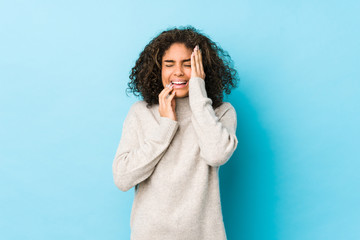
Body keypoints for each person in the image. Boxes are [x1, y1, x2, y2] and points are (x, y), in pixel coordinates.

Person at [112, 26, 240, 240]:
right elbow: (122, 178)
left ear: (202, 69)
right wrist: (166, 126)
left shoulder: (221, 112)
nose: (178, 72)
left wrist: (198, 96)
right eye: (169, 64)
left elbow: (216, 154)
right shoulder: (140, 113)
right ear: (157, 69)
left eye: (188, 64)